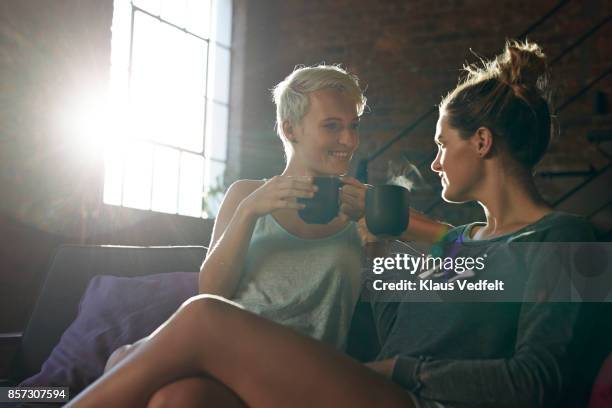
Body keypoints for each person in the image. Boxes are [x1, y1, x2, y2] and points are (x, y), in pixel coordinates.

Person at [67, 40, 596, 408]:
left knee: (204, 315)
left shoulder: (568, 238)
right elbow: (443, 253)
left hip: (410, 398)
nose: (434, 163)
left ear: (481, 143)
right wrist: (378, 243)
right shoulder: (466, 246)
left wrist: (399, 371)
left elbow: (538, 381)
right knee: (179, 399)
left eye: (441, 145)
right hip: (362, 388)